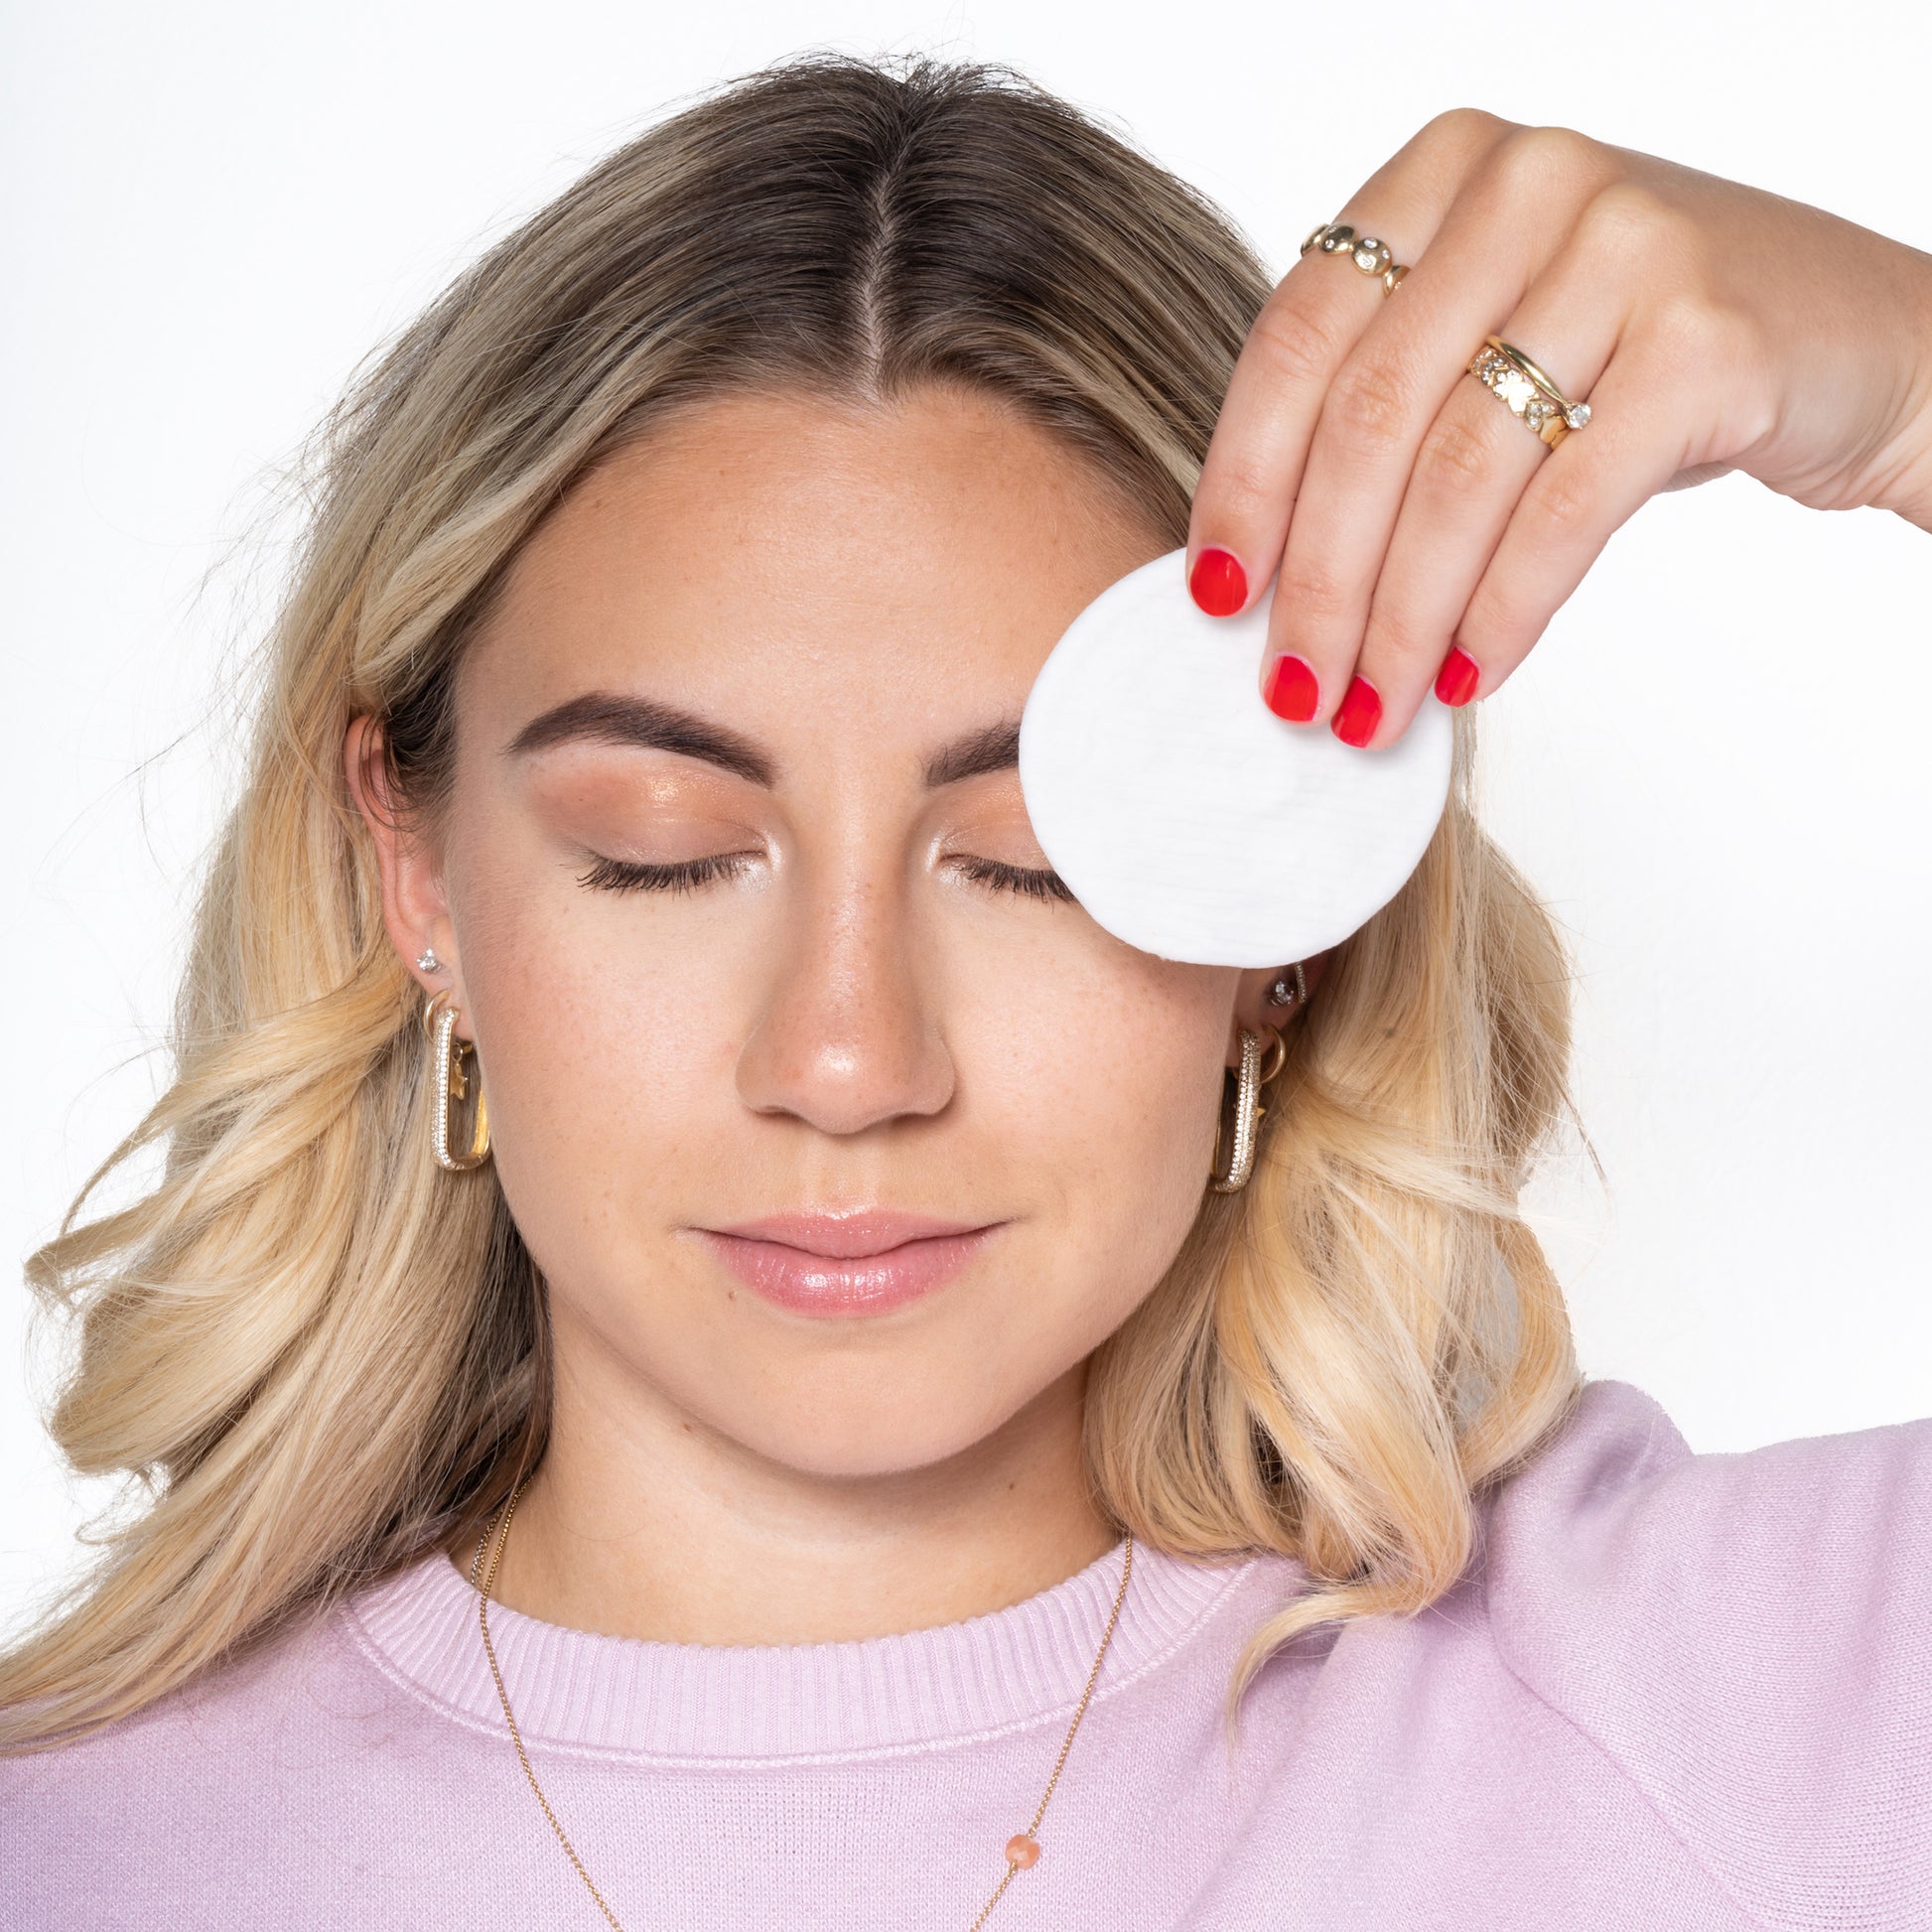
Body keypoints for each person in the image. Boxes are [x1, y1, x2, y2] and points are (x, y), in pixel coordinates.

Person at [3, 52, 1929, 1931]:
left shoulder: (1721, 1703)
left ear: (1289, 927)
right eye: (664, 844)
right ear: (413, 873)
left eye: (1031, 861)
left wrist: (1907, 392)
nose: (847, 1059)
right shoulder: (67, 1857)